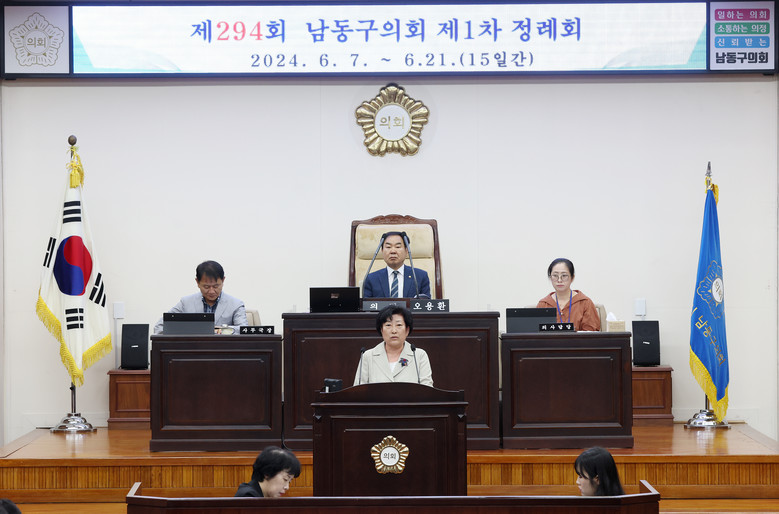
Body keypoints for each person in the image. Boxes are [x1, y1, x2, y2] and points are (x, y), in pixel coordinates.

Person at [153, 260, 248, 334]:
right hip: (193, 350)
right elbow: (159, 327)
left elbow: (244, 331)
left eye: (216, 286)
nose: (211, 291)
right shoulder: (186, 303)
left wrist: (219, 330)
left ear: (223, 280)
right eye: (206, 287)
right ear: (197, 282)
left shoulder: (236, 304)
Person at [353, 305, 433, 386]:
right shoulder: (368, 356)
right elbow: (358, 390)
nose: (394, 331)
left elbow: (427, 389)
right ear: (381, 329)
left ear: (407, 330)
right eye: (388, 325)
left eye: (399, 325)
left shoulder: (418, 356)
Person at [537, 258, 601, 331]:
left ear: (572, 278)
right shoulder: (543, 304)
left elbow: (591, 334)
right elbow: (536, 333)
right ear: (550, 278)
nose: (559, 280)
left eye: (564, 275)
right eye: (555, 275)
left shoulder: (585, 303)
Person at [362, 231, 431, 298]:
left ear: (406, 251)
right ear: (382, 251)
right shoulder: (371, 279)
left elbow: (426, 303)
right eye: (388, 247)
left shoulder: (420, 276)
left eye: (398, 247)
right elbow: (365, 304)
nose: (393, 251)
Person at [235, 446, 301, 497]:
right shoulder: (248, 497)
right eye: (285, 479)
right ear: (267, 473)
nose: (287, 487)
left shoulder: (266, 497)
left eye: (289, 481)